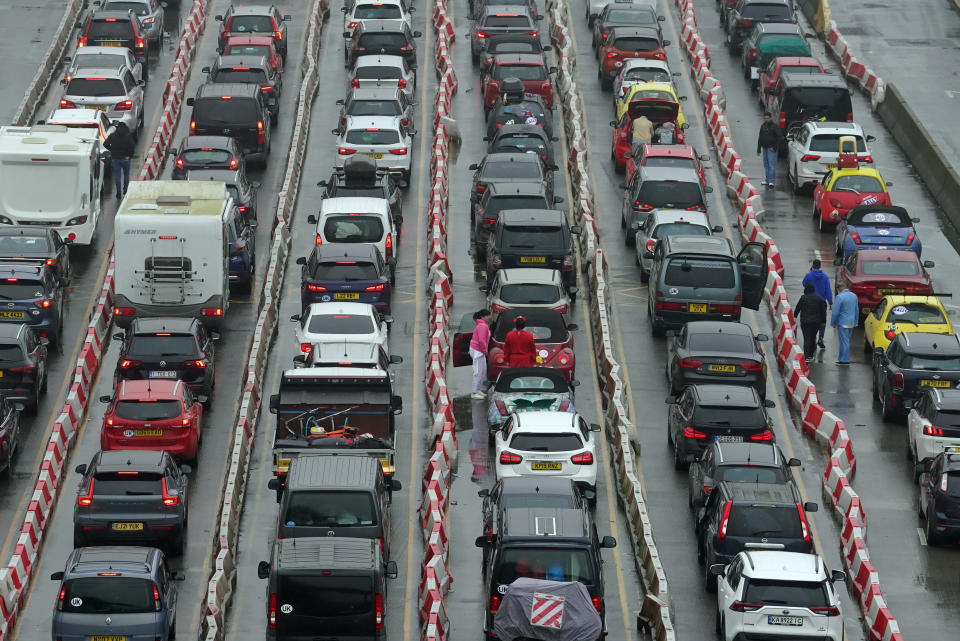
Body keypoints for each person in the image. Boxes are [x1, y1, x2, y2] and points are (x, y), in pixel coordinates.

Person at [801, 259, 833, 348]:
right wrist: (830, 302)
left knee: (812, 320)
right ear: (820, 266)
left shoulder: (809, 275)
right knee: (822, 320)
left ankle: (813, 340)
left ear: (812, 266)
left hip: (810, 301)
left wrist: (809, 273)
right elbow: (828, 290)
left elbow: (804, 284)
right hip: (822, 302)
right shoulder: (825, 277)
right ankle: (821, 337)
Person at [795, 284, 827, 361]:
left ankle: (805, 356)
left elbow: (798, 308)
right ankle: (810, 355)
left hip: (805, 321)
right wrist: (823, 321)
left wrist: (795, 316)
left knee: (806, 338)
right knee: (813, 338)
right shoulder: (819, 298)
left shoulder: (803, 298)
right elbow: (823, 311)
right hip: (816, 322)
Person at [104, 121, 135, 198]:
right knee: (126, 174)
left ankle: (118, 192)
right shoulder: (128, 136)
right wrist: (129, 155)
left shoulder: (112, 136)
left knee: (117, 176)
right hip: (126, 159)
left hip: (116, 158)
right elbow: (132, 147)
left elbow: (105, 144)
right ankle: (126, 190)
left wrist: (112, 150)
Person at [830, 282, 859, 365]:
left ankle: (844, 360)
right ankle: (841, 358)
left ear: (839, 288)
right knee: (846, 341)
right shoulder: (854, 296)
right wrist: (856, 322)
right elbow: (856, 310)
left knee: (844, 342)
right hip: (852, 322)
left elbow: (835, 312)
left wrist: (833, 323)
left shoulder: (840, 297)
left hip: (843, 322)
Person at [469, 309, 492, 399]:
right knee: (478, 371)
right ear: (482, 317)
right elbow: (482, 340)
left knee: (483, 371)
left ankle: (478, 389)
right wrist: (485, 350)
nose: (489, 317)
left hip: (479, 350)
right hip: (478, 351)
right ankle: (474, 392)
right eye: (487, 316)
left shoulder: (483, 325)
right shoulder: (482, 326)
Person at [756, 112, 782, 189]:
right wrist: (758, 149)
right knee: (766, 164)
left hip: (772, 149)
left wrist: (773, 147)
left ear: (771, 118)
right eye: (765, 118)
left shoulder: (775, 127)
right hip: (764, 148)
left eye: (767, 118)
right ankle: (767, 180)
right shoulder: (763, 126)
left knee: (771, 165)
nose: (766, 120)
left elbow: (779, 138)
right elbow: (760, 138)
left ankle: (771, 181)